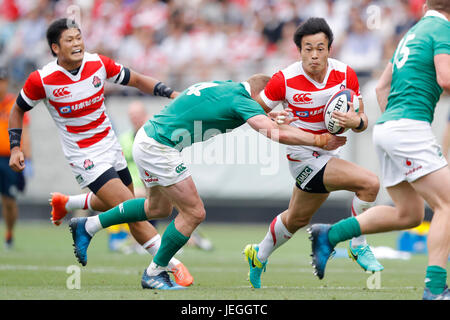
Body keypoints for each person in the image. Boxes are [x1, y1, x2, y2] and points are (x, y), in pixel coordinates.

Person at [68, 74, 347, 290]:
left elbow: (236, 109)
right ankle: (154, 272)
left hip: (148, 138)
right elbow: (274, 132)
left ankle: (89, 225)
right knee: (194, 212)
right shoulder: (241, 100)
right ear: (261, 95)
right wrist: (319, 140)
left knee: (158, 210)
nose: (270, 107)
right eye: (270, 102)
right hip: (159, 146)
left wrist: (267, 113)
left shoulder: (227, 87)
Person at [8, 18, 193, 287]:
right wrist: (15, 148)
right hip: (85, 156)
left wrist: (172, 93)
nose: (77, 44)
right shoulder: (42, 80)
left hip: (111, 146)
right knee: (132, 211)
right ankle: (166, 269)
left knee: (130, 209)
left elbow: (137, 79)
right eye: (69, 40)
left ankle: (70, 206)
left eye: (79, 38)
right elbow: (17, 110)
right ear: (55, 48)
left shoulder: (98, 64)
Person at [309, 1, 450, 300]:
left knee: (409, 214)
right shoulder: (442, 29)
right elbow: (445, 79)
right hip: (407, 128)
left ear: (426, 5)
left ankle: (329, 234)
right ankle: (435, 289)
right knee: (447, 205)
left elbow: (381, 87)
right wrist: (404, 129)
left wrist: (395, 126)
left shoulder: (413, 33)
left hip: (388, 128)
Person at [243, 17, 383, 289]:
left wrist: (357, 122)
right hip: (302, 158)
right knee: (370, 184)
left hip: (329, 156)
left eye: (320, 48)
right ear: (299, 50)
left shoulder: (345, 74)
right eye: (308, 49)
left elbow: (361, 119)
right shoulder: (284, 79)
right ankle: (358, 244)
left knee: (296, 219)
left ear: (329, 48)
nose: (315, 55)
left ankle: (258, 255)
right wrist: (275, 118)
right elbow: (252, 114)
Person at [0, 67, 32, 249]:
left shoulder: (14, 105)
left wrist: (28, 159)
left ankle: (9, 233)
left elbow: (24, 132)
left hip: (8, 159)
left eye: (2, 81)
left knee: (9, 201)